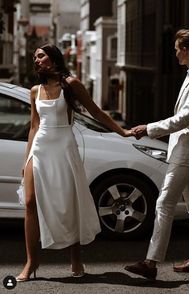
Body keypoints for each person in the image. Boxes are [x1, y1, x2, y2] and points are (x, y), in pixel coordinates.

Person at [16, 44, 134, 282]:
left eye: (40, 56)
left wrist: (123, 132)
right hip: (40, 148)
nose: (36, 60)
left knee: (68, 203)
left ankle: (76, 259)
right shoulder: (34, 91)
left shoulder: (71, 84)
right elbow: (34, 126)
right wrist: (26, 157)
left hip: (63, 147)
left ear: (54, 58)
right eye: (34, 57)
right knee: (29, 202)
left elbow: (96, 112)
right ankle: (31, 262)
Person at [124, 29, 189, 280]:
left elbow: (185, 118)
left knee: (164, 203)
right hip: (188, 149)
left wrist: (149, 128)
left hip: (187, 151)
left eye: (177, 48)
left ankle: (151, 262)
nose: (175, 52)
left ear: (186, 50)